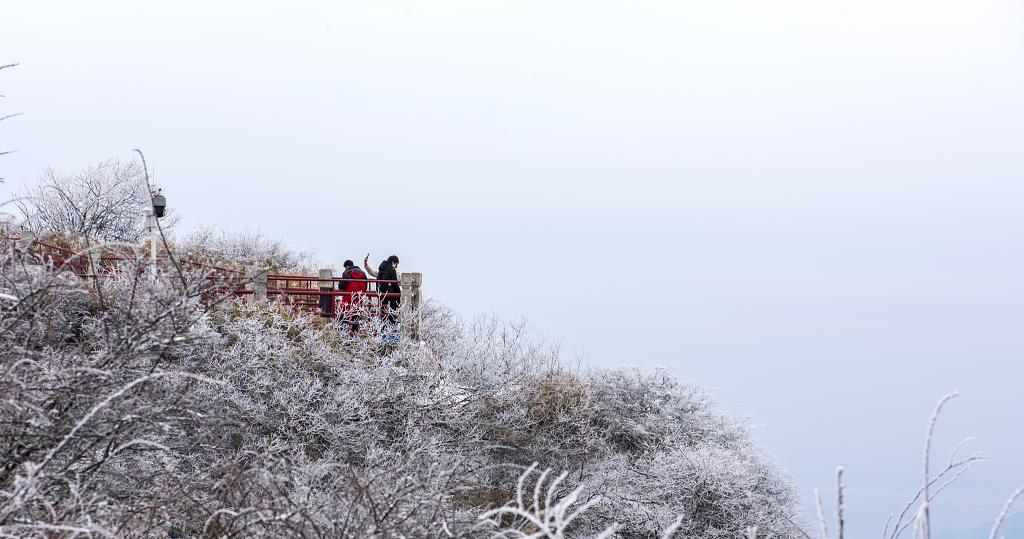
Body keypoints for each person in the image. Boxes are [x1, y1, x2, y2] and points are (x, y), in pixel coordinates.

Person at [338, 260, 367, 333]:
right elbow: (365, 286)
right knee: (356, 314)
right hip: (358, 297)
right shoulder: (363, 274)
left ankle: (342, 331)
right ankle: (355, 332)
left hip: (348, 297)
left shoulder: (347, 274)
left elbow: (341, 286)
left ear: (347, 266)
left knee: (343, 313)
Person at [374, 255, 401, 319]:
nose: (396, 265)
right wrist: (398, 292)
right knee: (393, 309)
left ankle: (382, 326)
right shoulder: (391, 270)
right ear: (393, 262)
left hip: (382, 291)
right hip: (391, 292)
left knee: (383, 308)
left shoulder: (381, 269)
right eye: (396, 263)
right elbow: (394, 282)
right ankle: (392, 324)